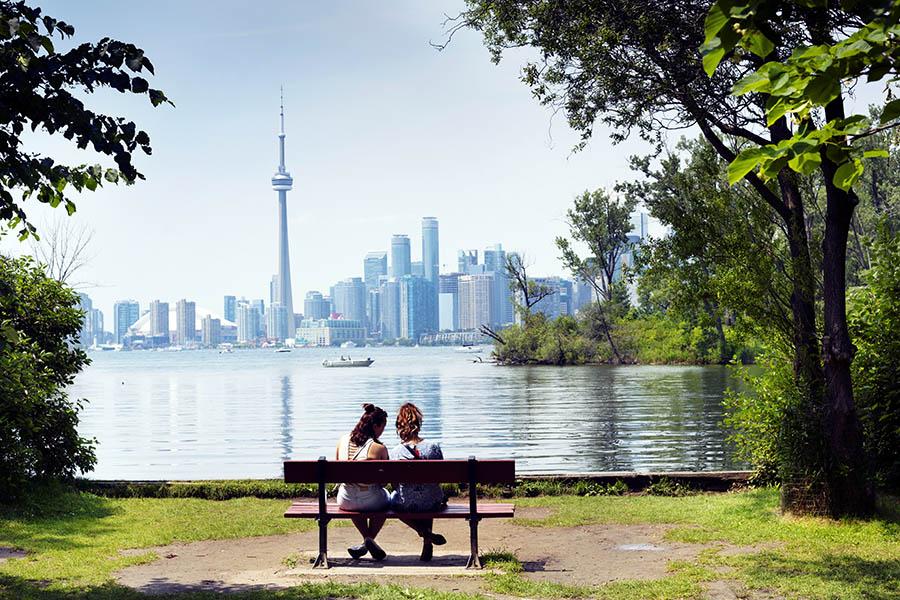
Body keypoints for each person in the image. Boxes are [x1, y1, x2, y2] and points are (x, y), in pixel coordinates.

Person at [389, 402, 447, 561]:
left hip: (406, 504)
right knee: (429, 492)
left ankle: (423, 532)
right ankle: (427, 540)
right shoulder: (433, 447)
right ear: (418, 424)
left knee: (391, 501)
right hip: (433, 502)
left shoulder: (395, 452)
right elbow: (440, 478)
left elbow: (394, 484)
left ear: (400, 426)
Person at [335, 403, 391, 560]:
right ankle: (369, 540)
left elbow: (337, 471)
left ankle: (366, 540)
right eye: (382, 427)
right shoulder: (378, 448)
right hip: (371, 500)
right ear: (375, 425)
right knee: (388, 500)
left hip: (345, 500)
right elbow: (384, 482)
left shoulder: (342, 441)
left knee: (354, 501)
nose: (382, 432)